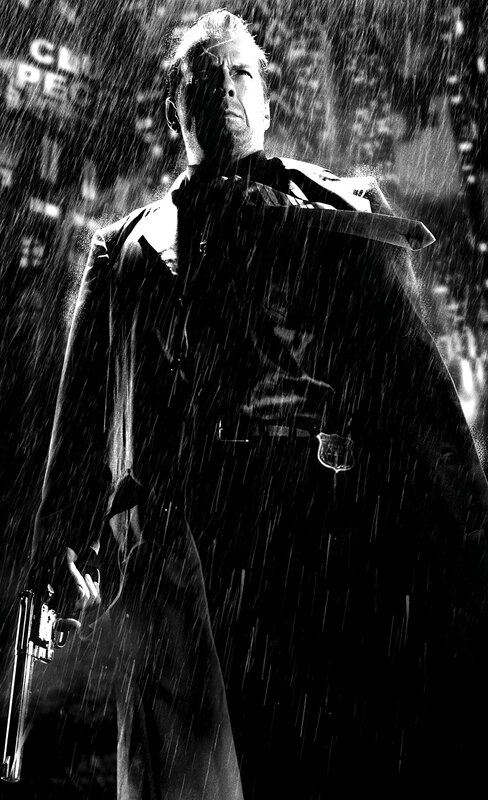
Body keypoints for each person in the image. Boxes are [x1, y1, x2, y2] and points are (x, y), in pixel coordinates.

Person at [32, 9, 488, 800]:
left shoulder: (339, 214)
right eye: (206, 76)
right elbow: (79, 431)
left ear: (268, 103)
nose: (226, 88)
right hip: (171, 571)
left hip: (308, 559)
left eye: (242, 72)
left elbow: (415, 393)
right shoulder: (123, 248)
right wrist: (59, 549)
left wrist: (466, 534)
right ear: (175, 108)